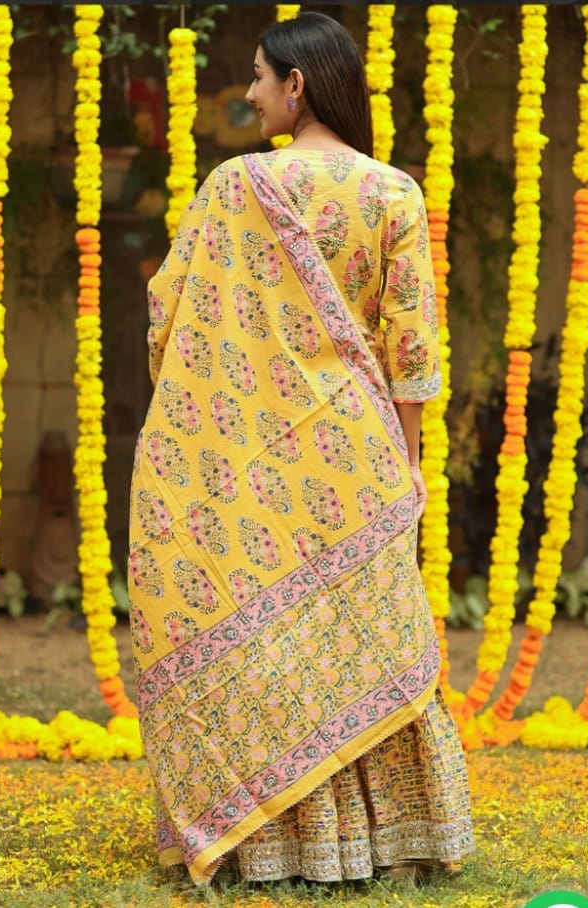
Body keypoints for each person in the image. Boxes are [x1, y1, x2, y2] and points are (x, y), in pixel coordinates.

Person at [128, 11, 474, 887]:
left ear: (298, 84)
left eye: (257, 77)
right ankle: (385, 838)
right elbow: (412, 349)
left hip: (254, 457)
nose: (247, 94)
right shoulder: (393, 192)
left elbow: (173, 319)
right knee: (359, 633)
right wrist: (407, 465)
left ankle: (268, 843)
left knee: (264, 640)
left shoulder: (235, 188)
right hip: (356, 448)